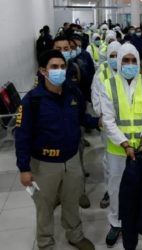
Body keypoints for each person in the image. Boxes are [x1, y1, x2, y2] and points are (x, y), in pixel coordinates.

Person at [15, 50, 100, 250]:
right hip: (44, 165)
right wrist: (24, 168)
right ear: (43, 70)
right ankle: (45, 243)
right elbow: (22, 136)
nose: (59, 71)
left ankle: (75, 235)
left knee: (71, 202)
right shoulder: (32, 101)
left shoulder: (72, 92)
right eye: (54, 67)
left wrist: (98, 122)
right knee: (44, 206)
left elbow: (82, 119)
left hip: (71, 161)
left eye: (62, 67)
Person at [99, 43, 142, 248]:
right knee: (117, 189)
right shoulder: (108, 85)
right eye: (125, 60)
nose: (129, 64)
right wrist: (125, 144)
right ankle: (117, 223)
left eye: (133, 60)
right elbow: (108, 120)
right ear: (118, 62)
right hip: (118, 151)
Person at [91, 41, 121, 209]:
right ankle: (109, 191)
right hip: (108, 126)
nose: (116, 59)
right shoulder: (101, 73)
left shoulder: (129, 70)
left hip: (126, 127)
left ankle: (124, 191)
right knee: (109, 160)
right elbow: (96, 99)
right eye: (112, 56)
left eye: (118, 56)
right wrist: (106, 118)